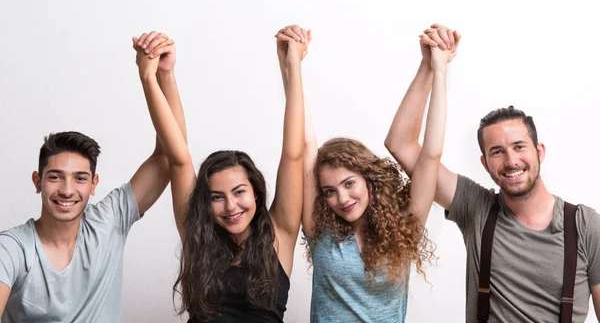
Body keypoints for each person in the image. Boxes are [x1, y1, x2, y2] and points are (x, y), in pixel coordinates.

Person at [385, 23, 600, 322]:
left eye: (519, 147)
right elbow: (402, 145)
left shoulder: (586, 226)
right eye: (497, 151)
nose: (511, 161)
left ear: (539, 152)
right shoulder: (477, 208)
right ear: (485, 164)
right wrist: (430, 66)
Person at [0, 31, 181, 322]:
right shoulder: (12, 248)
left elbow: (169, 158)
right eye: (55, 177)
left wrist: (162, 75)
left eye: (80, 178)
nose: (67, 190)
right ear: (37, 181)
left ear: (94, 184)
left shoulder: (107, 223)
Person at [138, 24, 307, 322]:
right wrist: (155, 76)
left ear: (255, 192)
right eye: (217, 197)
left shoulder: (279, 234)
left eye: (239, 192)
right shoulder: (198, 236)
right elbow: (178, 159)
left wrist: (293, 66)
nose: (231, 206)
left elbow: (293, 153)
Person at [300, 24, 453, 322]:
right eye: (330, 191)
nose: (341, 198)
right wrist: (292, 66)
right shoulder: (321, 231)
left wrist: (436, 68)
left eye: (348, 183)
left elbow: (431, 154)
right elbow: (305, 146)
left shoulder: (404, 224)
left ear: (368, 179)